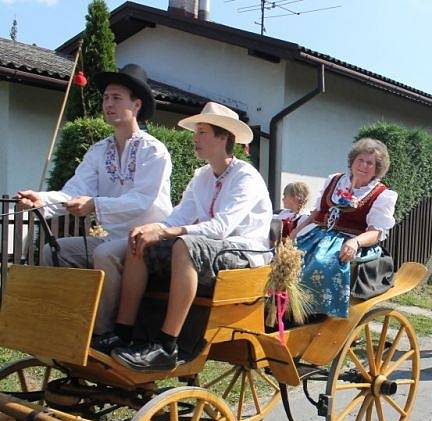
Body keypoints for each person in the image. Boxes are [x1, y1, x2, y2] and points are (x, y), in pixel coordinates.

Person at [109, 102, 272, 371]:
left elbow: (221, 228)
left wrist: (168, 232)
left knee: (185, 245)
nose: (195, 138)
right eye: (196, 132)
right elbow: (180, 217)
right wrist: (153, 230)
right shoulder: (202, 175)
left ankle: (167, 345)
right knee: (141, 242)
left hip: (245, 252)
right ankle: (124, 333)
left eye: (203, 132)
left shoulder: (246, 176)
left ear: (223, 138)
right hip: (213, 248)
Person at [16, 64, 172, 344]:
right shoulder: (99, 151)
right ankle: (65, 322)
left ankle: (104, 333)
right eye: (105, 98)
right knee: (55, 252)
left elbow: (142, 201)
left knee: (106, 254)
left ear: (136, 105)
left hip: (150, 239)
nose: (108, 104)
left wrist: (95, 205)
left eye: (116, 98)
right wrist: (43, 200)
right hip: (114, 237)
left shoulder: (154, 151)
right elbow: (76, 190)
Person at [292, 138, 397, 317]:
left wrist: (355, 242)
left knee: (322, 263)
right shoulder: (334, 180)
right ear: (352, 161)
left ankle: (320, 313)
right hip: (317, 236)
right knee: (290, 256)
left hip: (351, 242)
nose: (363, 166)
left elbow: (375, 232)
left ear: (377, 168)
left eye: (370, 163)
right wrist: (295, 231)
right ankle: (286, 307)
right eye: (360, 160)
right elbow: (316, 213)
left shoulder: (382, 195)